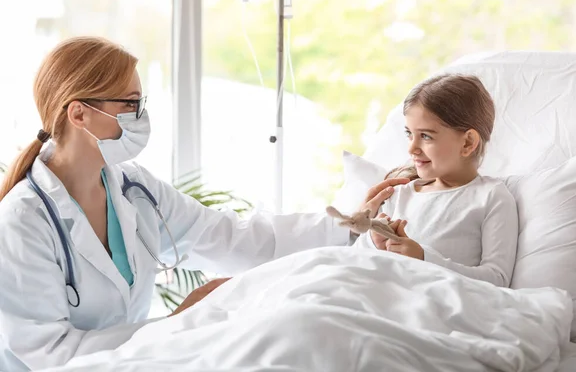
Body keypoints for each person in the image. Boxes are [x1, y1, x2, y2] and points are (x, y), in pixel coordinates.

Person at [0, 36, 407, 371]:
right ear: (79, 114)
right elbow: (48, 354)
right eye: (130, 104)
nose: (141, 117)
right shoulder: (23, 221)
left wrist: (346, 225)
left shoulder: (132, 188)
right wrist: (177, 323)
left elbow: (232, 238)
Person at [354, 74, 519, 287]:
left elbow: (497, 280)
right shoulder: (402, 194)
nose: (411, 148)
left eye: (425, 136)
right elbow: (354, 262)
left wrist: (424, 259)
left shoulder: (491, 197)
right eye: (409, 134)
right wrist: (373, 242)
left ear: (468, 142)